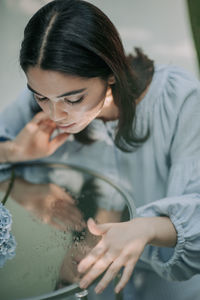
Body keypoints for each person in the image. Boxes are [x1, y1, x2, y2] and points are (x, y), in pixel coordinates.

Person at [0, 0, 200, 299]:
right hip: (84, 275)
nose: (55, 114)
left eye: (73, 99)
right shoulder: (38, 103)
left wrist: (146, 229)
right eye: (41, 97)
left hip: (170, 283)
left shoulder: (178, 99)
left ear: (110, 72)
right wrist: (14, 152)